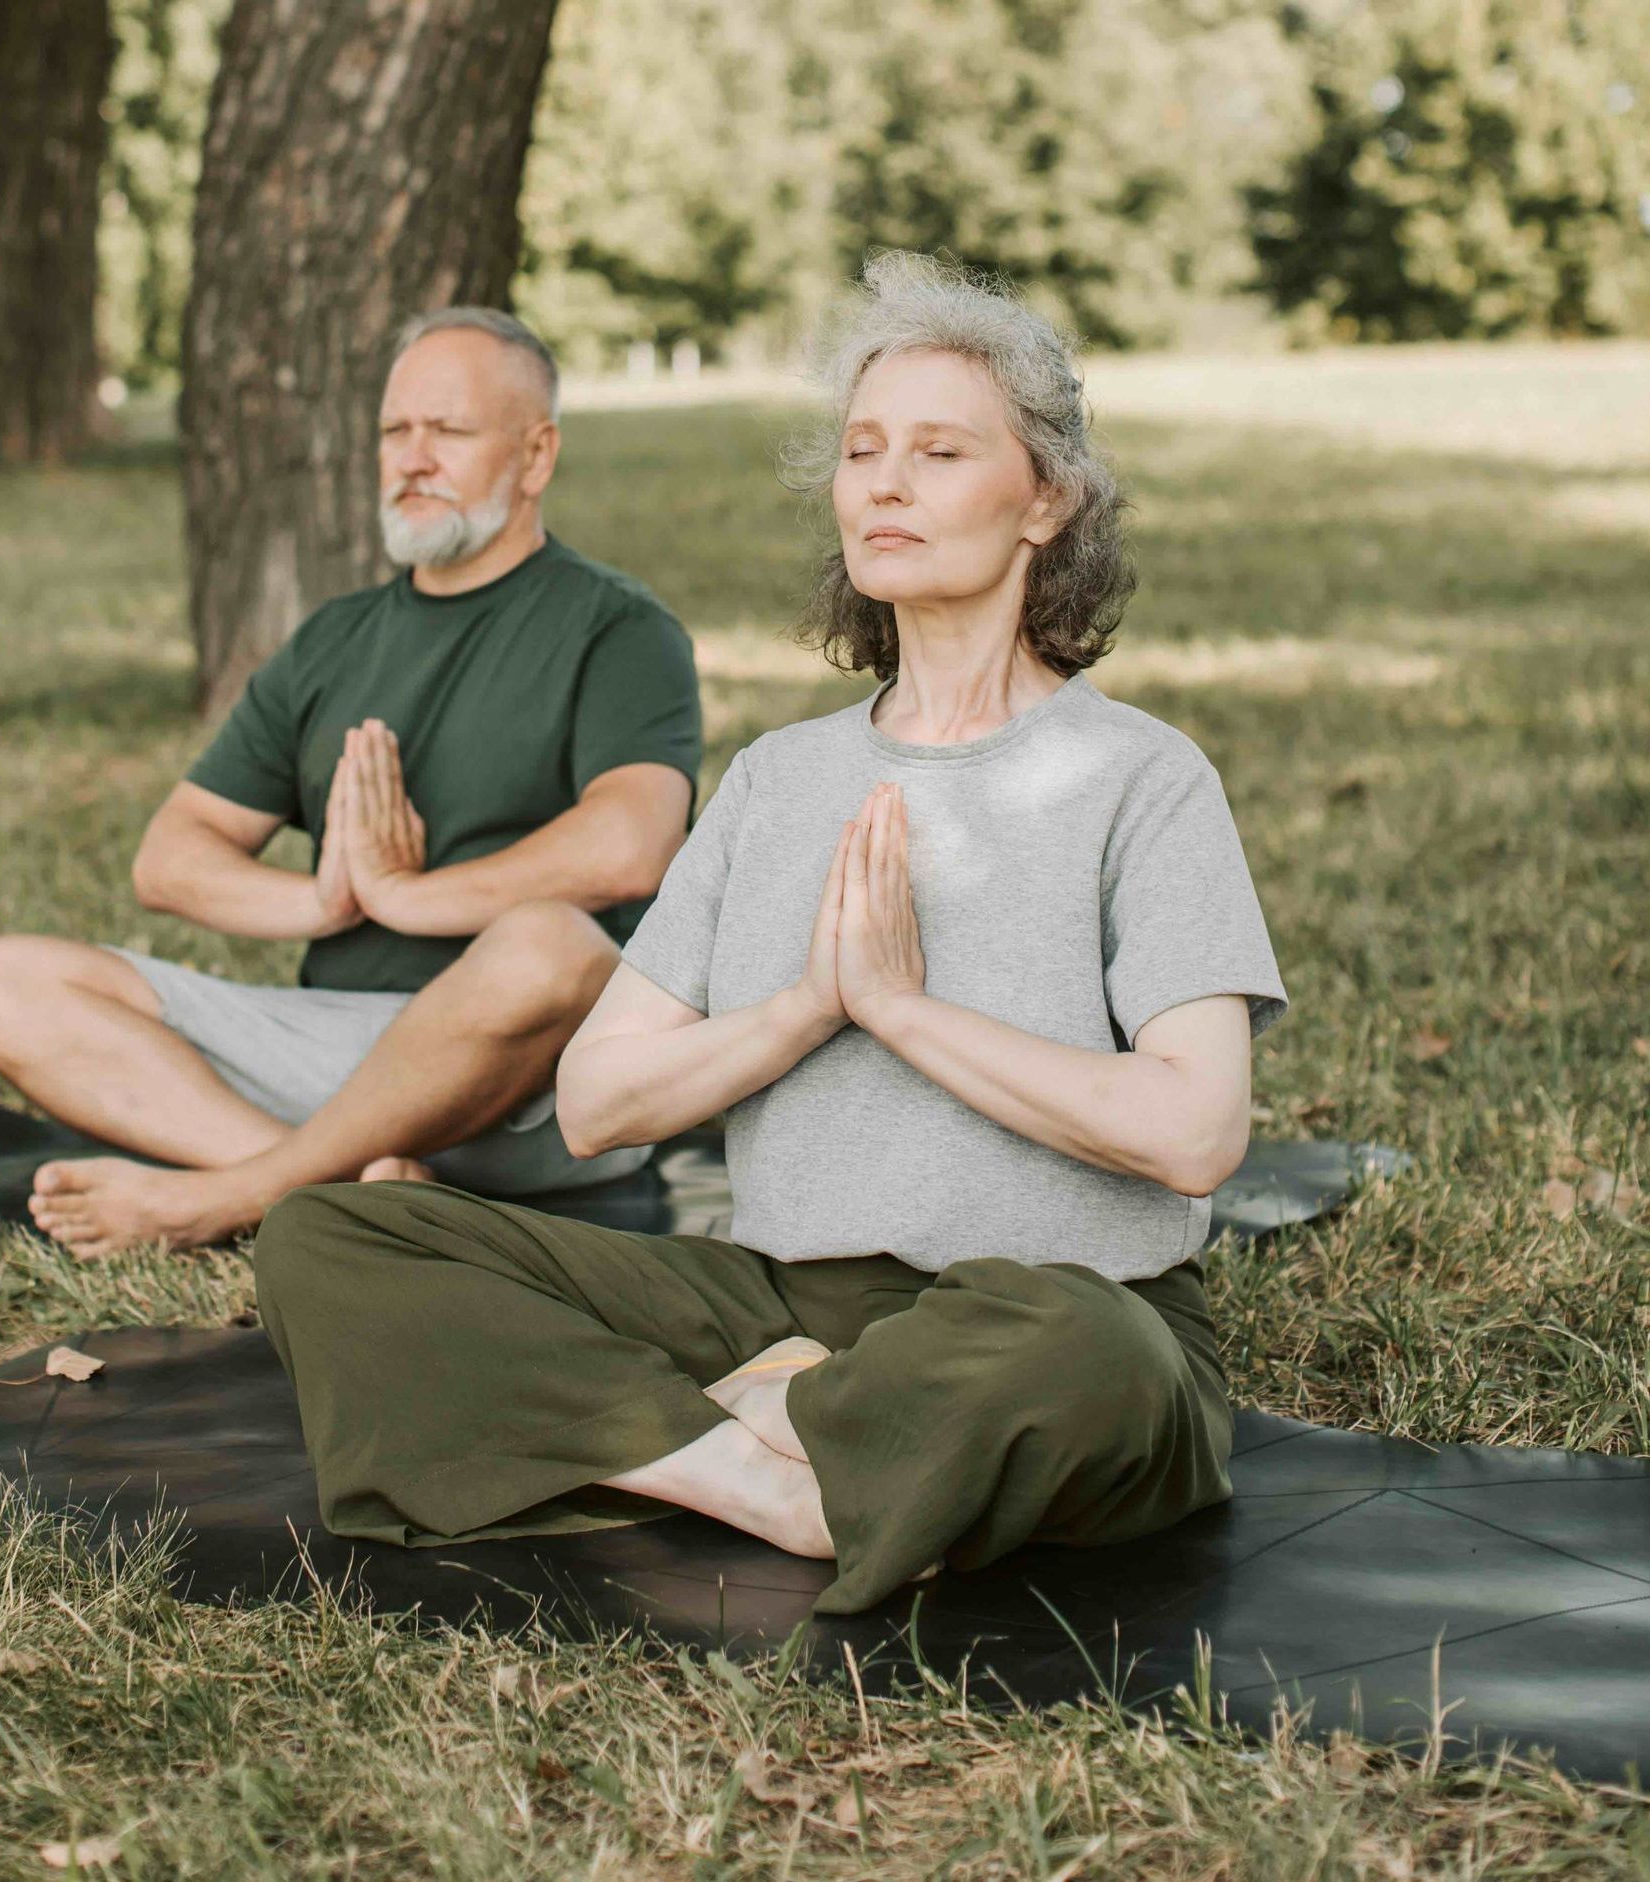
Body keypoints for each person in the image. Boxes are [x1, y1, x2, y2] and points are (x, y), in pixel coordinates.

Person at [250, 252, 1289, 1613]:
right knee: (331, 1238)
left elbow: (1195, 1131)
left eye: (937, 450)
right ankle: (759, 1470)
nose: (885, 483)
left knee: (1094, 1356)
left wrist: (904, 1009)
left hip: (1056, 1310)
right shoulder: (778, 783)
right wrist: (809, 1004)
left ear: (1046, 499)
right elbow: (595, 1100)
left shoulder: (1142, 779)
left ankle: (709, 1426)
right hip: (779, 1306)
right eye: (863, 451)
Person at [0, 307, 702, 1259]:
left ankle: (227, 1199)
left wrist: (408, 897)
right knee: (0, 983)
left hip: (542, 1084)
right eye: (395, 431)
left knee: (553, 946)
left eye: (450, 432)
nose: (412, 458)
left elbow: (632, 847)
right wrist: (325, 898)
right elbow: (171, 860)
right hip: (343, 1063)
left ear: (536, 455)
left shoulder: (619, 629)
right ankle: (349, 1194)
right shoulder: (333, 641)